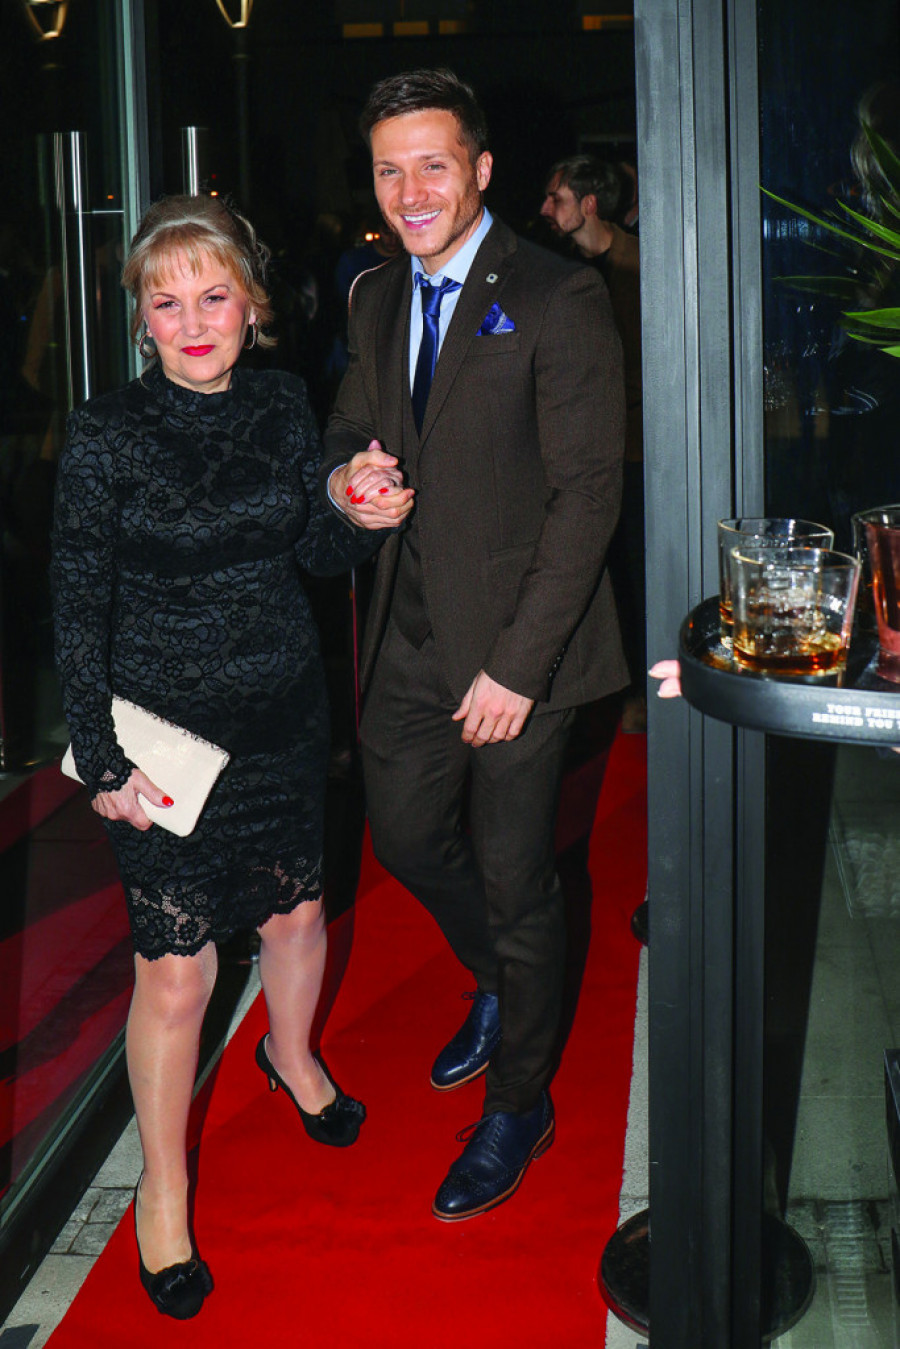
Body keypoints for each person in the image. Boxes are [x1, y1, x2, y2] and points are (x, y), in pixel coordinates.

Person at [51, 195, 412, 1319]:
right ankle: (162, 1191)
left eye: (215, 297)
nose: (194, 321)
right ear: (141, 319)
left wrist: (355, 510)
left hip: (282, 714)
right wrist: (100, 757)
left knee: (298, 915)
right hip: (164, 739)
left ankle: (291, 1056)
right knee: (179, 972)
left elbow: (310, 547)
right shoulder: (106, 432)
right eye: (167, 303)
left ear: (253, 307)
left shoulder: (280, 401)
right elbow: (76, 606)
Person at [324, 69, 627, 1222]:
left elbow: (588, 497)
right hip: (407, 632)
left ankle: (519, 1103)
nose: (410, 191)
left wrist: (518, 667)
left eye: (433, 165)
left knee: (517, 876)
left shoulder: (558, 294)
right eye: (389, 169)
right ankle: (504, 979)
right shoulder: (372, 297)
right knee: (404, 834)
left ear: (482, 170)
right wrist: (349, 480)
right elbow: (352, 424)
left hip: (518, 648)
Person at [541, 154, 646, 731]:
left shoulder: (641, 265)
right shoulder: (552, 272)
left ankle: (640, 692)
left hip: (633, 452)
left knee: (631, 571)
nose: (544, 209)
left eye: (556, 198)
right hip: (570, 454)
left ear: (588, 204)